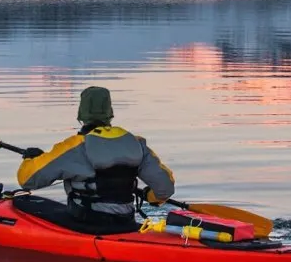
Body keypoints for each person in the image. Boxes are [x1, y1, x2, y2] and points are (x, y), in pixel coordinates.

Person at [17, 86, 174, 227]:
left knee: (22, 204)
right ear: (110, 113)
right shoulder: (136, 143)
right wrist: (151, 197)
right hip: (126, 221)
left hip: (87, 223)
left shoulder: (75, 146)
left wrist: (30, 159)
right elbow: (165, 189)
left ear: (80, 115)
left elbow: (27, 180)